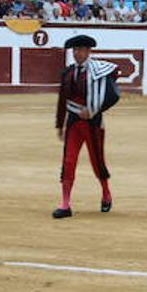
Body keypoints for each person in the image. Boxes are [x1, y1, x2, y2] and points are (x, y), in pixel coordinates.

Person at [53, 34, 120, 218]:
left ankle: (106, 193)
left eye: (81, 50)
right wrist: (60, 124)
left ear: (88, 51)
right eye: (75, 50)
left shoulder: (98, 71)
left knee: (97, 161)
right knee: (68, 161)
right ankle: (65, 204)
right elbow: (62, 100)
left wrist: (94, 110)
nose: (77, 53)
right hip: (73, 122)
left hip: (93, 123)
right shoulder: (67, 73)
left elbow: (112, 96)